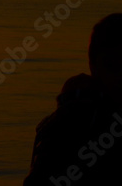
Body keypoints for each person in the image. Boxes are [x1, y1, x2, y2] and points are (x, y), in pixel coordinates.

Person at [24, 13, 122, 185]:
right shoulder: (73, 123)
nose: (120, 78)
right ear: (93, 66)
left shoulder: (59, 121)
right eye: (113, 66)